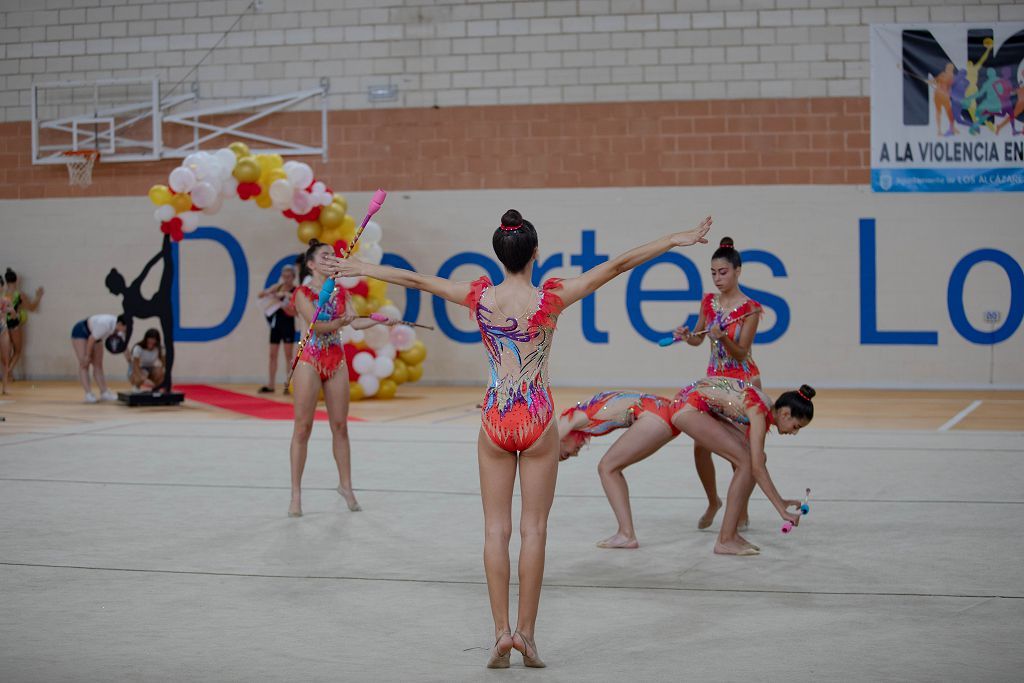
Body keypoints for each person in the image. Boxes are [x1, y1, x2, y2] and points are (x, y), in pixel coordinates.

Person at [329, 208, 712, 669]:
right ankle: (527, 636)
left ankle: (499, 635)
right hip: (536, 419)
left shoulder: (477, 297)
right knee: (534, 530)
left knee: (496, 530)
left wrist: (364, 268)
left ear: (499, 255)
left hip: (495, 418)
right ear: (534, 254)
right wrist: (673, 238)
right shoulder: (552, 297)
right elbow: (616, 266)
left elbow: (419, 281)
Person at [286, 240, 393, 518]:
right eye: (324, 255)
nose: (331, 258)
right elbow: (317, 326)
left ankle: (345, 486)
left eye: (333, 255)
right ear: (310, 264)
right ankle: (296, 493)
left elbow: (355, 321)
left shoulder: (340, 292)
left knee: (340, 426)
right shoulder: (301, 293)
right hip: (309, 359)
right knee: (302, 428)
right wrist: (340, 322)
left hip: (336, 359)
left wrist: (380, 320)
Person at [673, 236, 762, 531]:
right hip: (714, 381)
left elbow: (741, 351)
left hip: (742, 382)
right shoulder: (708, 302)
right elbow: (699, 338)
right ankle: (713, 500)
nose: (717, 278)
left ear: (738, 271)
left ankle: (742, 508)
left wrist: (722, 335)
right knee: (701, 445)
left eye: (723, 272)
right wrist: (688, 335)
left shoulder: (750, 308)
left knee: (741, 452)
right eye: (713, 272)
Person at [670, 378, 814, 556]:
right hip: (687, 407)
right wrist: (781, 510)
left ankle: (730, 534)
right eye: (796, 426)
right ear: (785, 414)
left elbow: (759, 461)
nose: (794, 432)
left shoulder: (765, 407)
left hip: (694, 404)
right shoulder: (759, 411)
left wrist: (781, 500)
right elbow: (757, 468)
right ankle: (725, 539)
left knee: (753, 458)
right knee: (747, 463)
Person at [557, 390, 680, 549]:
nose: (575, 453)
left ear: (561, 441)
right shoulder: (580, 418)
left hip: (655, 414)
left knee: (607, 468)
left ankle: (626, 534)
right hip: (662, 412)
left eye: (566, 454)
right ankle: (626, 533)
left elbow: (547, 444)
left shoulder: (569, 418)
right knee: (610, 468)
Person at [70, 314, 128, 403]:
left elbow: (124, 347)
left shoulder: (121, 330)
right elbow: (91, 339)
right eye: (126, 327)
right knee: (84, 363)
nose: (127, 330)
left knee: (98, 365)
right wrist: (87, 356)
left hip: (96, 336)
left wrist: (130, 362)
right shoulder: (105, 324)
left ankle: (104, 392)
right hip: (82, 331)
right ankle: (88, 394)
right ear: (120, 324)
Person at [258, 264, 297, 394]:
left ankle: (288, 385)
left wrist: (284, 301)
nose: (286, 279)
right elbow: (260, 295)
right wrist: (269, 293)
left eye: (289, 276)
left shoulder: (295, 291)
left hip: (288, 325)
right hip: (276, 325)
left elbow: (295, 313)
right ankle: (271, 384)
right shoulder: (278, 287)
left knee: (288, 355)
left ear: (293, 277)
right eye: (284, 276)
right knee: (272, 355)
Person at [3, 268, 44, 381]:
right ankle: (7, 373)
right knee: (17, 351)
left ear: (6, 282)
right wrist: (38, 296)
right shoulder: (19, 295)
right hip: (13, 324)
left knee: (7, 352)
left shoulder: (2, 294)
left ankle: (8, 375)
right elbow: (32, 307)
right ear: (17, 281)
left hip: (3, 325)